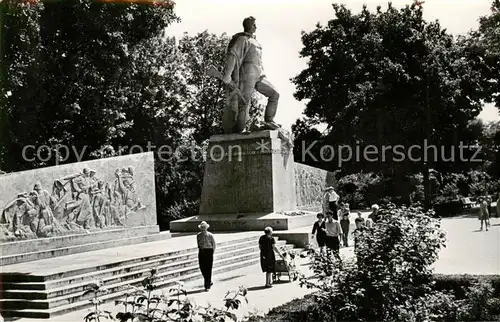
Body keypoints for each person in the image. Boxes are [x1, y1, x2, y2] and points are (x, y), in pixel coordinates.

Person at [222, 16, 280, 133]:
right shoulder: (242, 39)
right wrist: (228, 74)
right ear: (249, 25)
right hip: (246, 74)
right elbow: (233, 55)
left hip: (259, 74)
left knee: (274, 94)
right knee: (244, 102)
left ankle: (269, 120)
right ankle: (241, 128)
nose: (256, 27)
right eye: (254, 24)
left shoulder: (255, 41)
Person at [196, 221, 216, 291]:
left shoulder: (210, 235)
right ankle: (209, 281)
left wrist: (212, 253)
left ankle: (207, 286)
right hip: (201, 251)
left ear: (206, 228)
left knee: (208, 268)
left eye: (204, 227)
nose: (203, 229)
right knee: (202, 268)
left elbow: (214, 244)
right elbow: (198, 244)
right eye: (202, 227)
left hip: (209, 251)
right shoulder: (198, 235)